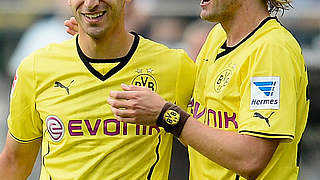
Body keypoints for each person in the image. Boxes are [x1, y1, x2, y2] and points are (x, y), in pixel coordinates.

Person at [106, 0, 310, 179]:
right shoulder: (217, 37)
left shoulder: (272, 50)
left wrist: (166, 116)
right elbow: (200, 134)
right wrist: (104, 41)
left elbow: (251, 159)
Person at [0, 0, 196, 179]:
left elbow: (207, 151)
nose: (91, 3)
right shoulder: (36, 68)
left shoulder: (174, 66)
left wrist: (168, 117)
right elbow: (15, 162)